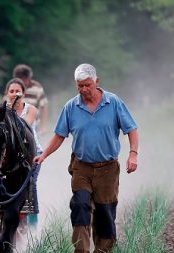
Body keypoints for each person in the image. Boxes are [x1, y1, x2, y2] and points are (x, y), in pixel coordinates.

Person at [34, 63, 139, 253]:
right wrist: (43, 155)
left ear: (96, 82)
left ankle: (103, 249)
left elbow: (131, 129)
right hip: (81, 167)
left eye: (87, 85)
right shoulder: (71, 107)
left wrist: (133, 154)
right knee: (80, 205)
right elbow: (59, 135)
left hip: (108, 168)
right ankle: (81, 250)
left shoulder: (113, 102)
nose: (84, 89)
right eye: (80, 86)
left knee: (105, 212)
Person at [4, 78, 43, 226]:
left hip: (32, 154)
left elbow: (24, 125)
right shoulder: (2, 110)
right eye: (12, 91)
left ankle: (33, 222)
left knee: (30, 184)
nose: (15, 94)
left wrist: (10, 111)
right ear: (7, 93)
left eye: (18, 91)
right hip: (11, 157)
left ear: (24, 93)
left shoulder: (31, 109)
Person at [13, 64, 49, 134]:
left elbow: (44, 106)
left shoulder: (37, 88)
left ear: (28, 78)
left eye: (23, 79)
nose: (21, 82)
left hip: (34, 124)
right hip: (15, 123)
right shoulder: (13, 87)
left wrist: (43, 126)